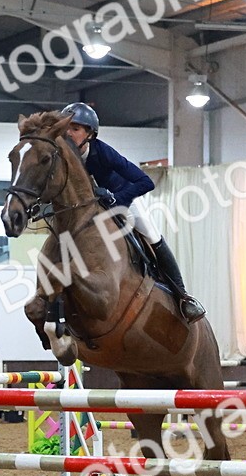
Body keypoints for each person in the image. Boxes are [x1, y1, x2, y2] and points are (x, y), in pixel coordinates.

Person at [59, 102, 206, 322]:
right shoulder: (61, 156)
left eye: (76, 128)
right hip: (85, 213)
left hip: (120, 203)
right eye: (66, 128)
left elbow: (144, 181)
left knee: (152, 235)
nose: (69, 133)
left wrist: (116, 197)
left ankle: (183, 298)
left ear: (90, 134)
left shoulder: (104, 152)